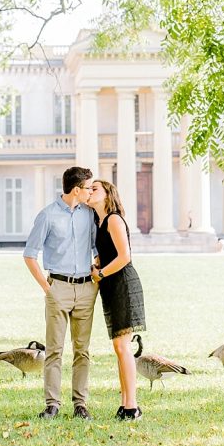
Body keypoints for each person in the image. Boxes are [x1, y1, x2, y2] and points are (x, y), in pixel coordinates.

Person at [23, 166, 99, 421]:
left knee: (82, 350)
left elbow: (95, 247)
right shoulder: (47, 216)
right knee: (55, 350)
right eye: (89, 188)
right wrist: (47, 289)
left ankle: (80, 404)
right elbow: (30, 255)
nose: (91, 191)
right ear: (77, 190)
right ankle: (52, 404)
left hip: (87, 289)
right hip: (58, 287)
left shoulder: (89, 214)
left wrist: (97, 275)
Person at [87, 179, 146, 421]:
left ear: (108, 194)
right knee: (118, 347)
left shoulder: (113, 219)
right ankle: (125, 404)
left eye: (95, 189)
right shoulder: (99, 222)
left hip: (123, 284)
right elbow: (107, 254)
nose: (90, 191)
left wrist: (100, 273)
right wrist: (97, 265)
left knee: (123, 346)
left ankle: (132, 406)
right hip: (110, 286)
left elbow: (124, 257)